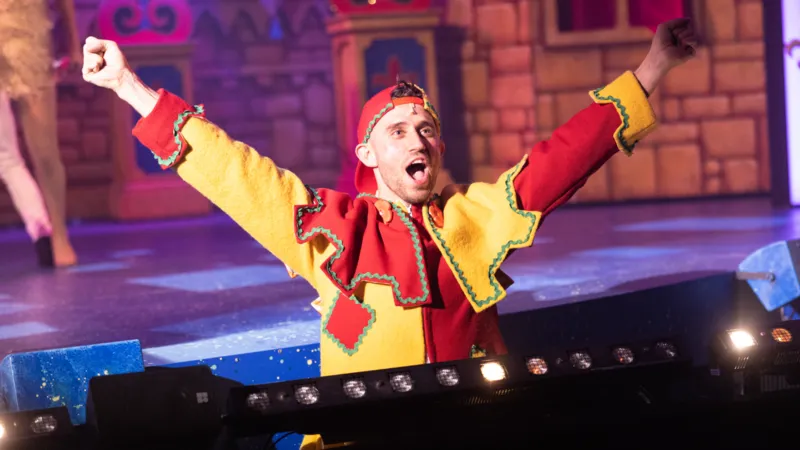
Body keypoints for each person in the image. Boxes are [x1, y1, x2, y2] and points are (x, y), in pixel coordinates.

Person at [82, 18, 697, 448]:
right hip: (363, 436)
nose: (416, 139)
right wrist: (129, 86)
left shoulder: (472, 218)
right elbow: (235, 173)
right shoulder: (333, 229)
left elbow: (559, 161)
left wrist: (652, 67)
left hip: (476, 427)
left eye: (426, 128)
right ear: (368, 155)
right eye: (397, 132)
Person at [0, 0, 81, 267]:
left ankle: (59, 234)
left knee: (45, 152)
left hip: (28, 35)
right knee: (4, 155)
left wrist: (73, 43)